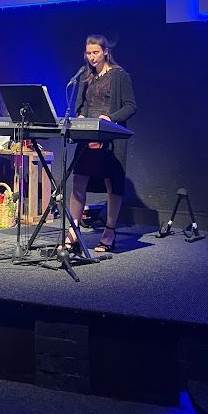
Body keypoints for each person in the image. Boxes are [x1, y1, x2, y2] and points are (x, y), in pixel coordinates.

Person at [67, 34, 136, 253]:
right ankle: (73, 232)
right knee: (79, 180)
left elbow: (130, 106)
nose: (91, 57)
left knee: (111, 183)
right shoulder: (85, 76)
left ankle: (109, 232)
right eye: (88, 53)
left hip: (110, 136)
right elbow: (81, 106)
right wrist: (80, 117)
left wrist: (111, 118)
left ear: (105, 52)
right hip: (89, 134)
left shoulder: (119, 75)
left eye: (95, 52)